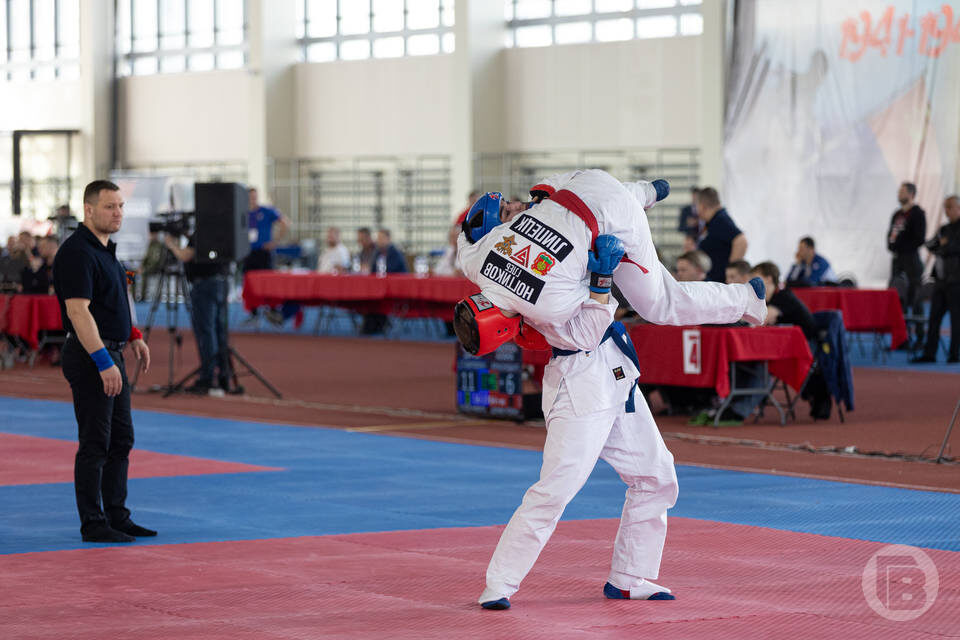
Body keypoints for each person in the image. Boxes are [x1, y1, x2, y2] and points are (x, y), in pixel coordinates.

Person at [455, 170, 767, 610]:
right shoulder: (481, 255)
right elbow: (469, 238)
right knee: (641, 477)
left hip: (601, 359)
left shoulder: (541, 299)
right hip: (584, 371)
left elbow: (588, 327)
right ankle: (506, 583)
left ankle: (621, 577)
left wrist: (601, 283)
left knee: (574, 485)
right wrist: (597, 280)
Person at [52, 180, 154, 543]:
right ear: (89, 210)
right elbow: (79, 313)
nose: (118, 213)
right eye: (110, 207)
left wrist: (134, 336)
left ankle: (117, 514)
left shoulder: (107, 250)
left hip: (113, 351)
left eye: (121, 206)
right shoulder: (77, 252)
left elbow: (117, 299)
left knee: (121, 438)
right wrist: (102, 361)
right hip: (90, 355)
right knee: (96, 440)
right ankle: (93, 522)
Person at [163, 233, 233, 393]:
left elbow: (185, 255)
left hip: (204, 285)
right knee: (219, 331)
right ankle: (223, 375)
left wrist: (171, 244)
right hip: (221, 281)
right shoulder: (221, 229)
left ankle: (208, 377)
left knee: (205, 331)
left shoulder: (202, 231)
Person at [912, 195, 960, 364]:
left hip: (956, 282)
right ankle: (929, 353)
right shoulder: (944, 229)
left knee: (956, 320)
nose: (946, 211)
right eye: (945, 208)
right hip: (940, 280)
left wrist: (943, 245)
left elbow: (952, 248)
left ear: (958, 208)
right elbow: (931, 245)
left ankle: (954, 354)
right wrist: (943, 244)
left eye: (949, 207)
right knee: (934, 318)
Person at [887, 181, 927, 344]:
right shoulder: (897, 215)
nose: (899, 193)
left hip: (911, 261)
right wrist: (893, 246)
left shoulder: (917, 214)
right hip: (898, 261)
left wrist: (902, 246)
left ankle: (919, 337)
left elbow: (919, 238)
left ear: (911, 194)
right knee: (898, 299)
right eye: (899, 191)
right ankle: (902, 337)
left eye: (902, 191)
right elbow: (890, 236)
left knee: (915, 299)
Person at [695, 187, 747, 283]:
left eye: (696, 206)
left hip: (720, 282)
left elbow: (741, 241)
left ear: (702, 206)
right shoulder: (714, 221)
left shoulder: (720, 220)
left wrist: (730, 273)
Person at [360, 229, 408, 335]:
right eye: (378, 238)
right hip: (380, 288)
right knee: (369, 297)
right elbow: (373, 270)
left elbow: (391, 271)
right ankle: (373, 324)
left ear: (388, 239)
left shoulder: (395, 253)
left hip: (397, 290)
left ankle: (377, 324)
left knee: (376, 299)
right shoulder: (377, 252)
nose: (378, 241)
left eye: (381, 238)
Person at [243, 187, 290, 273]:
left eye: (254, 197)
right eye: (250, 197)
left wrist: (275, 242)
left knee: (266, 280)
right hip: (248, 253)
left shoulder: (266, 211)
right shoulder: (243, 213)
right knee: (249, 280)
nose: (252, 200)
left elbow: (285, 223)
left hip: (264, 252)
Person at [677, 187, 701, 252]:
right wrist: (689, 225)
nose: (695, 198)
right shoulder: (685, 210)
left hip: (702, 242)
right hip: (689, 242)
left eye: (697, 196)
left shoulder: (704, 210)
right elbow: (680, 228)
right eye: (694, 195)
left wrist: (699, 222)